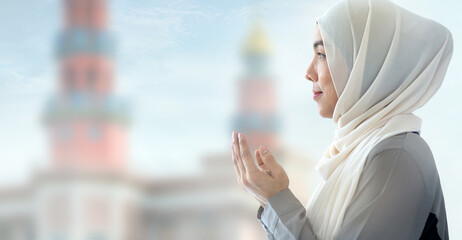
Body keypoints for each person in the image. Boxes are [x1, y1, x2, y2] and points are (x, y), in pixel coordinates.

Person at [230, 0, 453, 239]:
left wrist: (278, 200)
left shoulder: (396, 157)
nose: (308, 72)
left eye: (322, 55)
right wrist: (272, 198)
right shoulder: (354, 154)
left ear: (364, 66)